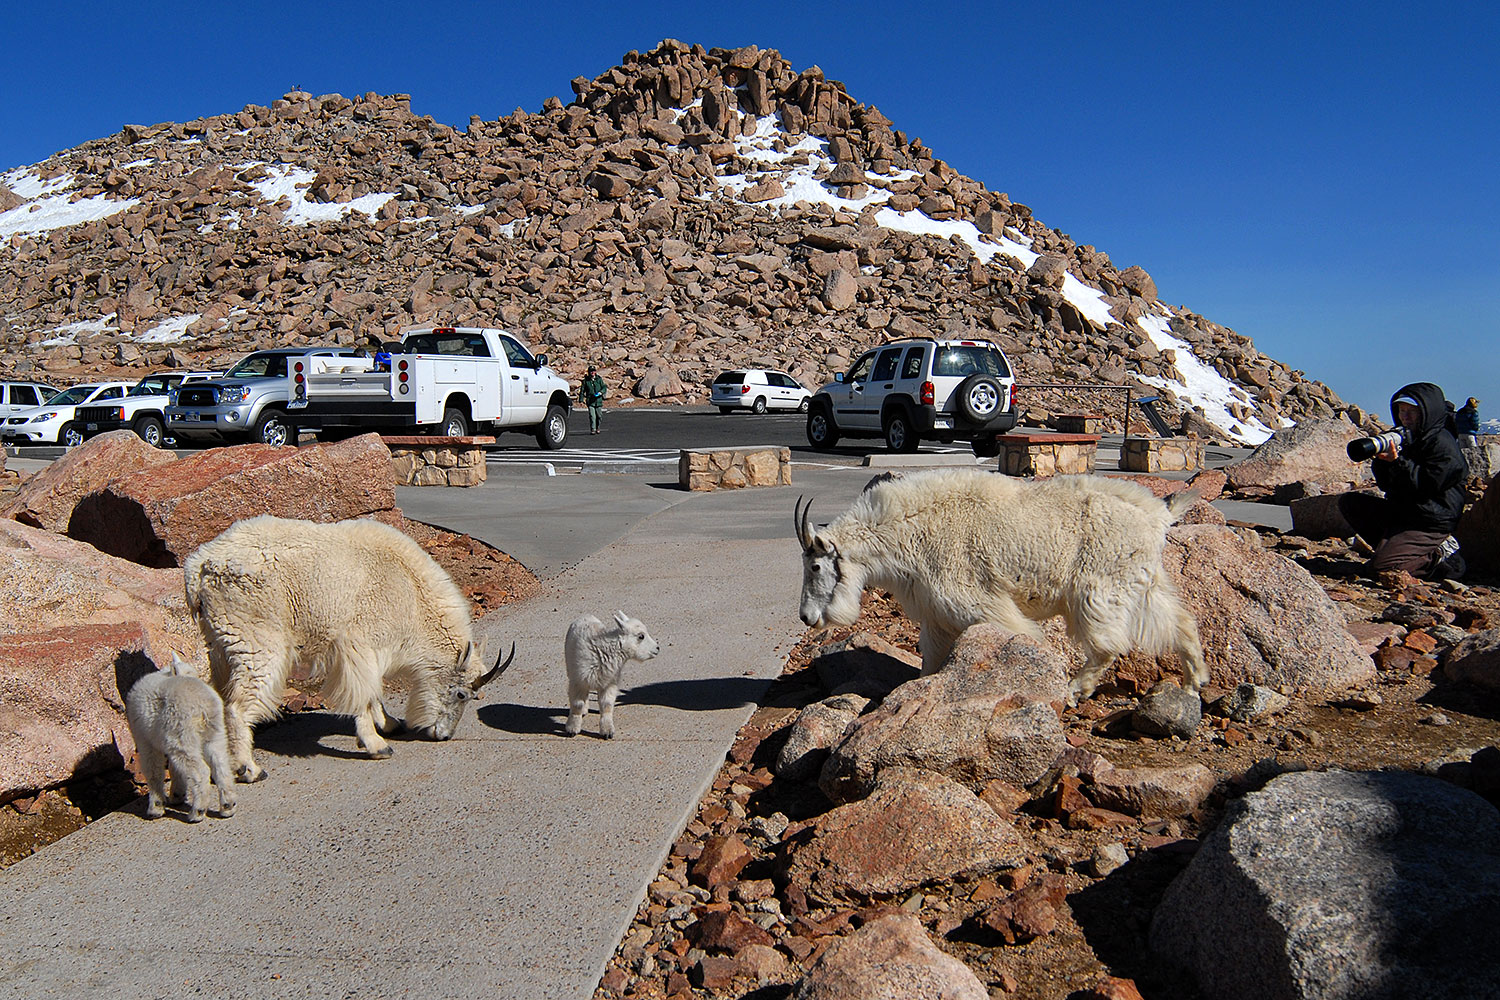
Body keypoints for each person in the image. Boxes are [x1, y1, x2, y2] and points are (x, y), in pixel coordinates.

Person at [1338, 382, 1469, 580]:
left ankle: (1440, 554)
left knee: (1380, 570)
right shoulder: (1409, 437)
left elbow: (1425, 486)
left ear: (1426, 412)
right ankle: (1397, 551)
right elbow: (1387, 485)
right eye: (1402, 410)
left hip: (1430, 521)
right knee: (1350, 503)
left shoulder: (1443, 445)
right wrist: (1385, 462)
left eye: (1412, 412)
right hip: (1406, 512)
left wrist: (1398, 462)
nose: (1405, 417)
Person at [579, 365, 607, 434]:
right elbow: (582, 391)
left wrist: (601, 392)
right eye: (591, 371)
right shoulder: (586, 381)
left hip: (598, 401)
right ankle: (593, 429)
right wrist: (581, 399)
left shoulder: (599, 379)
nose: (592, 372)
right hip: (590, 401)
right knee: (592, 416)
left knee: (599, 416)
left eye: (593, 371)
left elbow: (604, 387)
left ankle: (598, 427)